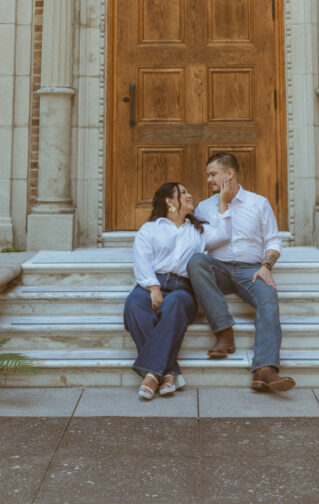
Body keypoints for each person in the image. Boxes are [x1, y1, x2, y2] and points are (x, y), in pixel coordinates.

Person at [189, 152, 296, 393]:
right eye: (208, 175)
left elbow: (273, 241)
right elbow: (203, 244)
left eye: (213, 174)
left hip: (251, 270)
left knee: (268, 299)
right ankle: (224, 333)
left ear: (230, 174)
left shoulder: (259, 203)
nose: (208, 180)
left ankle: (265, 370)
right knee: (197, 261)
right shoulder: (204, 208)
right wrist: (223, 206)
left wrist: (266, 267)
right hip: (218, 269)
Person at [124, 180, 232, 399]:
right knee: (134, 304)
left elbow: (224, 235)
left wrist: (223, 203)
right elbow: (142, 260)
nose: (190, 195)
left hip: (183, 289)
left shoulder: (199, 230)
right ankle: (169, 371)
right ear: (170, 201)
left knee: (175, 304)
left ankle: (152, 372)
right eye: (183, 193)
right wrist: (153, 288)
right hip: (151, 283)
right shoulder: (150, 228)